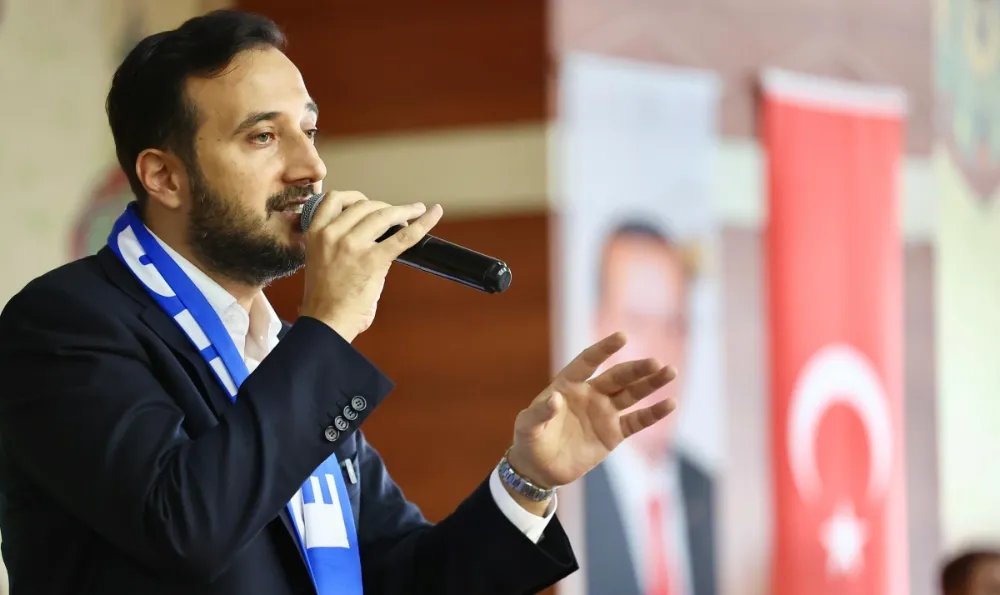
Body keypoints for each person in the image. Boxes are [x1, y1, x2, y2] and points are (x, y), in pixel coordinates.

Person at [0, 10, 680, 595]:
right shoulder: (64, 324)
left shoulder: (279, 350)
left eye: (309, 130)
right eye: (263, 137)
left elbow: (404, 575)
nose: (312, 168)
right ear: (164, 177)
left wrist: (526, 479)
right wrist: (327, 326)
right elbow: (183, 528)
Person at [583, 220, 716, 595]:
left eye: (674, 327)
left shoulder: (716, 498)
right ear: (598, 331)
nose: (660, 358)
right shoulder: (561, 504)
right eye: (637, 324)